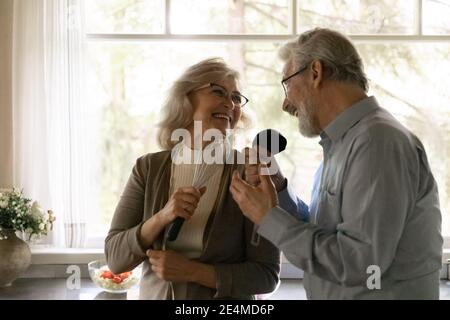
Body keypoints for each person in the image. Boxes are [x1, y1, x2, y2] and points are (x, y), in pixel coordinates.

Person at [230, 28, 443, 299]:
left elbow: (361, 264)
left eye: (287, 84)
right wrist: (278, 186)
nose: (286, 103)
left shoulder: (376, 143)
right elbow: (324, 233)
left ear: (316, 73)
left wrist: (268, 218)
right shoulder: (345, 144)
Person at [105, 58, 280, 300]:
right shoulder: (148, 168)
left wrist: (193, 272)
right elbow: (115, 259)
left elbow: (266, 275)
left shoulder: (250, 173)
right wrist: (162, 217)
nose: (230, 103)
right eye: (218, 91)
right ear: (185, 99)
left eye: (237, 98)